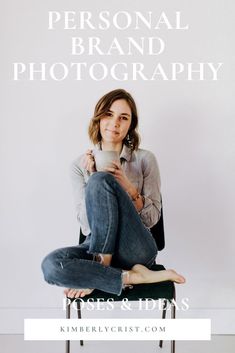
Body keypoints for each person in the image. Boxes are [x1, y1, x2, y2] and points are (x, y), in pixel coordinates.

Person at [41, 88, 185, 299]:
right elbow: (86, 226)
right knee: (51, 266)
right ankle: (132, 277)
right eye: (109, 114)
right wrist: (93, 179)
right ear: (99, 118)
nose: (115, 123)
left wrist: (128, 187)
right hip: (95, 245)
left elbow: (152, 219)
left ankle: (101, 269)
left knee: (101, 180)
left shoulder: (145, 160)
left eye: (123, 117)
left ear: (130, 125)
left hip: (136, 249)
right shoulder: (79, 166)